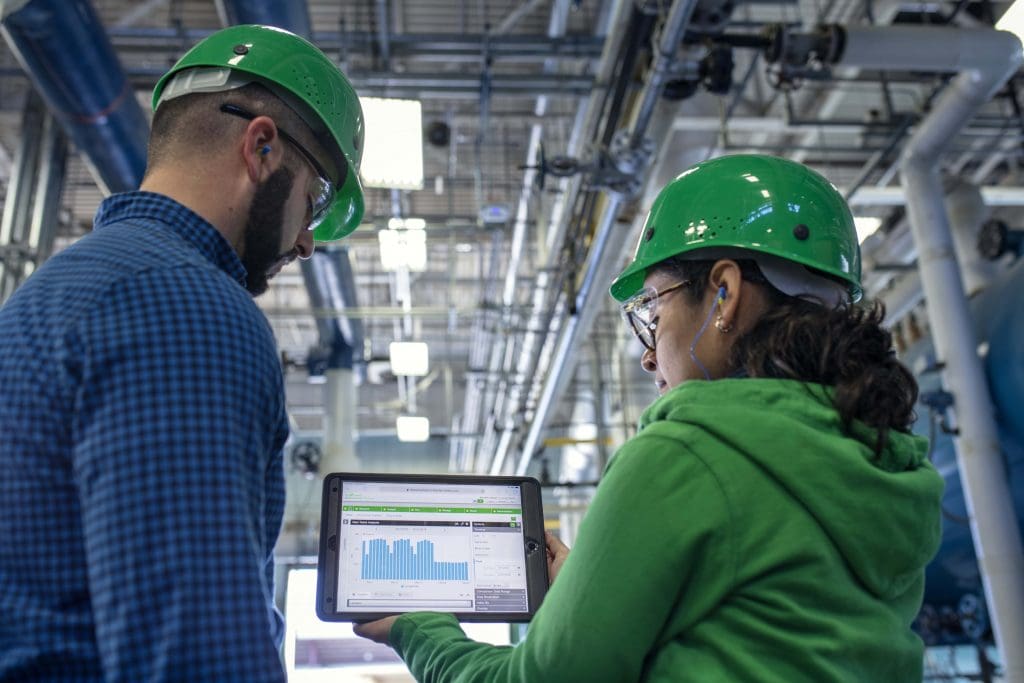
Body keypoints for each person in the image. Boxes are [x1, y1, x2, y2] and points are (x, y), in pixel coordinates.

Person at [354, 154, 945, 681]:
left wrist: (420, 630)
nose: (646, 353)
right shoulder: (883, 465)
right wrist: (591, 595)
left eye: (654, 311)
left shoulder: (688, 456)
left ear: (724, 293)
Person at [0, 25, 364, 681]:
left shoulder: (55, 291)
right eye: (312, 202)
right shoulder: (184, 305)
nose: (307, 243)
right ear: (261, 146)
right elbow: (195, 655)